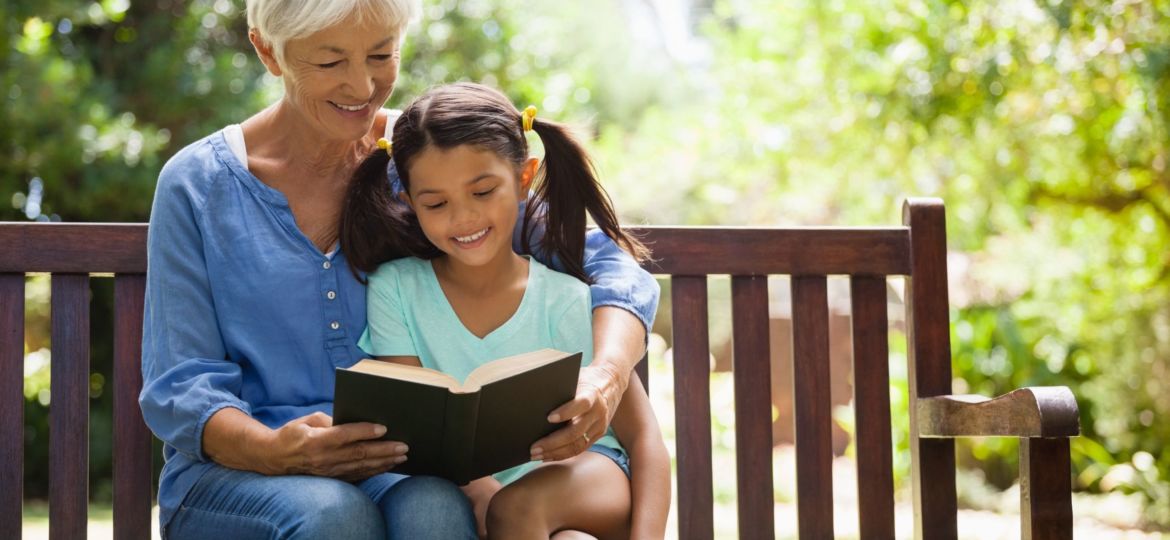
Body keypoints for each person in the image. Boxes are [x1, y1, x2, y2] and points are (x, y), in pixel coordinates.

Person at [137, 0, 660, 538]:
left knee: (435, 509)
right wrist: (273, 450)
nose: (362, 86)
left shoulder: (426, 161)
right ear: (268, 51)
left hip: (392, 467)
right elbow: (181, 385)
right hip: (237, 474)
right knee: (333, 515)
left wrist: (607, 374)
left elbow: (610, 267)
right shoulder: (198, 185)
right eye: (330, 62)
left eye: (381, 55)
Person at [340, 82, 670, 539]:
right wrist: (479, 493)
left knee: (516, 507)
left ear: (523, 178)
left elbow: (644, 439)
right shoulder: (395, 289)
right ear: (409, 202)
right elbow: (425, 434)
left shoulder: (567, 298)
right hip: (491, 496)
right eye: (436, 203)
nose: (463, 218)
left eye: (482, 192)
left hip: (591, 475)